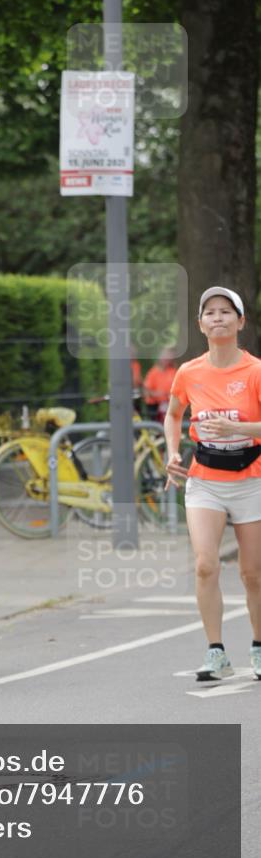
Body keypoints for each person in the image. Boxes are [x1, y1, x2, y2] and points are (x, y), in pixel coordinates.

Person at [164, 287, 261, 682]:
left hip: (251, 479)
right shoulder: (189, 372)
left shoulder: (255, 371)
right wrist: (172, 453)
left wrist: (238, 427)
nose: (217, 317)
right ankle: (215, 651)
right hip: (205, 480)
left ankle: (258, 647)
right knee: (205, 566)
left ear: (241, 322)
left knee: (252, 574)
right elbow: (173, 415)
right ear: (200, 325)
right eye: (210, 313)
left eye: (226, 312)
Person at [143, 346, 178, 423]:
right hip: (154, 406)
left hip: (168, 404)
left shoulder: (173, 371)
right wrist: (157, 395)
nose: (167, 359)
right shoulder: (153, 372)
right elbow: (147, 391)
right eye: (165, 356)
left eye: (169, 358)